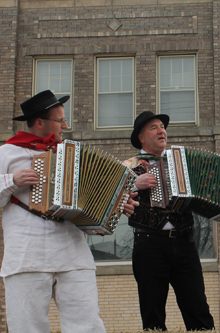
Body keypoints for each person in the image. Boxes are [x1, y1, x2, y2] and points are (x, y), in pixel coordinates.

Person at [0, 90, 138, 332]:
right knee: (27, 327)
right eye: (60, 120)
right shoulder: (7, 153)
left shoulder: (72, 156)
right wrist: (12, 180)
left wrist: (116, 207)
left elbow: (91, 202)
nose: (66, 125)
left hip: (73, 254)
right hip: (27, 256)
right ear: (40, 122)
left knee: (88, 325)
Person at [123, 111, 215, 332]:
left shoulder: (181, 164)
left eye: (162, 126)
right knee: (152, 312)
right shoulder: (128, 165)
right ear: (141, 138)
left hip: (185, 243)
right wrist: (135, 184)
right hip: (149, 244)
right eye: (154, 127)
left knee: (198, 308)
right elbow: (106, 196)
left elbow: (209, 189)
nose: (161, 130)